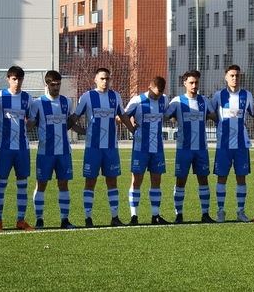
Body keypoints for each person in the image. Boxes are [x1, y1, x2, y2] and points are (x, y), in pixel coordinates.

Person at [72, 67, 133, 227]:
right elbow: (75, 116)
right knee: (90, 182)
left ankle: (115, 217)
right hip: (93, 148)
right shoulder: (87, 97)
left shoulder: (115, 96)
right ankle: (88, 219)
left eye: (107, 79)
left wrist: (134, 131)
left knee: (112, 182)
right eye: (102, 79)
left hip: (111, 148)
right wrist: (78, 130)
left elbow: (123, 116)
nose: (105, 82)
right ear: (95, 80)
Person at [27, 70, 84, 229]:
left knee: (64, 184)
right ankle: (39, 219)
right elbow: (31, 123)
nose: (56, 87)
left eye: (59, 84)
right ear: (47, 84)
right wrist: (23, 125)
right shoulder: (37, 103)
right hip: (45, 152)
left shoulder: (66, 102)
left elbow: (70, 123)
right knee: (41, 184)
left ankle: (65, 220)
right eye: (53, 84)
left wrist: (85, 131)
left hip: (64, 152)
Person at [165, 70, 217, 224]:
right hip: (184, 149)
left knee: (203, 180)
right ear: (184, 83)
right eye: (191, 83)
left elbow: (214, 116)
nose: (194, 86)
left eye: (196, 83)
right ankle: (179, 214)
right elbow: (165, 116)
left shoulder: (204, 101)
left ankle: (205, 214)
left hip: (201, 148)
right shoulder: (177, 101)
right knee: (181, 181)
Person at [209, 65, 254, 223]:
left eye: (237, 75)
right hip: (223, 145)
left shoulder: (247, 95)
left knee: (241, 178)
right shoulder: (218, 95)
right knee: (221, 178)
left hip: (242, 145)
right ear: (226, 77)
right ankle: (220, 211)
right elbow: (211, 113)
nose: (234, 78)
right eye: (231, 75)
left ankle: (240, 211)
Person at [0, 65, 34, 231]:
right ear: (8, 79)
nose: (17, 82)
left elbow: (31, 120)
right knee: (1, 184)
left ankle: (21, 220)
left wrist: (28, 126)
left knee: (22, 185)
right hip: (4, 148)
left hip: (22, 148)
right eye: (14, 79)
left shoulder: (28, 99)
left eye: (19, 79)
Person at [124, 76, 171, 225]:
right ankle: (134, 216)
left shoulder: (164, 100)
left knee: (156, 180)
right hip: (140, 148)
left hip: (157, 148)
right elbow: (123, 116)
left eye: (161, 93)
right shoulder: (137, 100)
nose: (158, 96)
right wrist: (132, 129)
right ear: (150, 87)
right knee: (136, 180)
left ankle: (155, 215)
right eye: (156, 93)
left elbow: (169, 115)